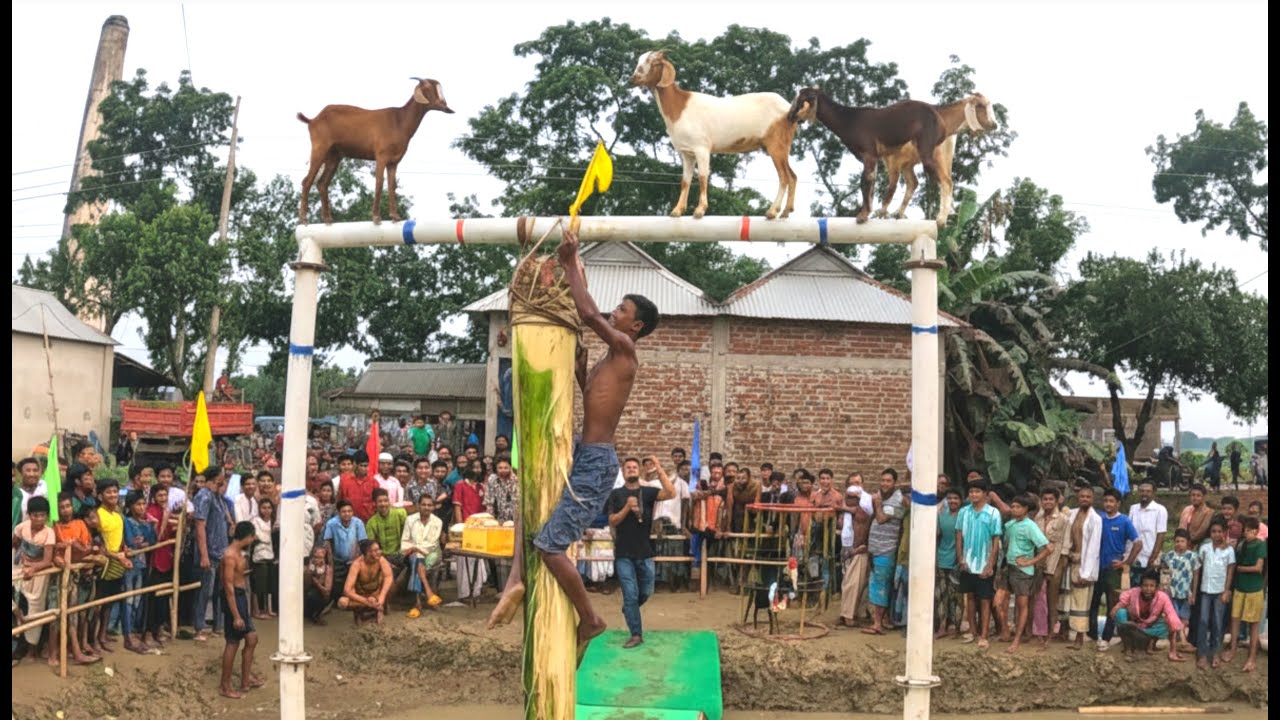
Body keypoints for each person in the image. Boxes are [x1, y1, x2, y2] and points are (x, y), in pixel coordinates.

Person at [489, 229, 660, 665]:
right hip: (587, 454)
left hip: (596, 463)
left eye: (621, 310)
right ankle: (516, 578)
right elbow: (597, 400)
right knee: (534, 519)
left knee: (550, 545)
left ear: (635, 326)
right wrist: (583, 374)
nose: (614, 312)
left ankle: (591, 619)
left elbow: (586, 312)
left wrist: (570, 263)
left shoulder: (624, 347)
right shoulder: (610, 359)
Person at [605, 456, 676, 648]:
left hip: (645, 552)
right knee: (630, 594)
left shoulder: (648, 492)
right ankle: (636, 634)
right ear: (623, 471)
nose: (631, 469)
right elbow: (612, 520)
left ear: (639, 471)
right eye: (628, 467)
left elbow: (671, 493)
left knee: (646, 591)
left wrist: (659, 468)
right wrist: (627, 507)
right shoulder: (615, 494)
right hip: (623, 553)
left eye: (634, 467)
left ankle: (630, 609)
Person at [1089, 488, 1142, 651]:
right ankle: (1092, 636)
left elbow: (1138, 543)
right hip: (1096, 568)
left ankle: (1106, 637)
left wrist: (1126, 562)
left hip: (1113, 570)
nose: (1108, 504)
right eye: (1106, 501)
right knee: (1093, 602)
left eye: (1111, 501)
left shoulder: (1124, 521)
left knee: (1113, 605)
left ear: (1118, 503)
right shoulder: (1099, 518)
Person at [1001, 494, 1053, 654]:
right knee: (999, 602)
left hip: (1023, 571)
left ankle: (1017, 639)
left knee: (1022, 605)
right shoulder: (1010, 525)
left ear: (1025, 509)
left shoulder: (1030, 526)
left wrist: (1031, 561)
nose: (1014, 509)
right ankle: (1007, 631)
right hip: (1009, 567)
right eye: (1013, 506)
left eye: (1018, 507)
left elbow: (1048, 548)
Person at [955, 479, 1003, 649]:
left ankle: (984, 635)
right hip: (967, 563)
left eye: (977, 491)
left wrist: (990, 564)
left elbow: (995, 540)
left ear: (985, 494)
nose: (974, 494)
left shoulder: (993, 513)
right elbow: (959, 536)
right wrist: (960, 559)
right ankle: (972, 631)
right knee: (969, 597)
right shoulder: (963, 512)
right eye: (971, 492)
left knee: (985, 599)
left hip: (984, 563)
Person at [219, 521, 263, 699]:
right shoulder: (230, 555)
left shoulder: (238, 553)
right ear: (247, 536)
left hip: (240, 597)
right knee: (233, 642)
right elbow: (228, 586)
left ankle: (245, 680)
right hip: (234, 598)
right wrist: (236, 615)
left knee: (251, 638)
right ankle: (225, 685)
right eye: (252, 537)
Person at [1108, 570, 1185, 663]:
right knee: (1120, 613)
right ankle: (1128, 647)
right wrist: (1116, 608)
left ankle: (1150, 643)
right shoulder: (1134, 592)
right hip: (1133, 625)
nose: (1148, 589)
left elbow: (1172, 617)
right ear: (1141, 586)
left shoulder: (1162, 597)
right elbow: (1122, 602)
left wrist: (1173, 651)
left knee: (1168, 623)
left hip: (1150, 628)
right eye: (1145, 585)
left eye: (1151, 586)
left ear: (1156, 587)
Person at [864, 469, 905, 636]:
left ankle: (877, 624)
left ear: (894, 483)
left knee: (880, 585)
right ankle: (884, 620)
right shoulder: (883, 498)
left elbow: (881, 519)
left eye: (888, 481)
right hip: (875, 549)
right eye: (883, 480)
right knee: (879, 584)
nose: (884, 484)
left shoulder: (897, 501)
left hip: (886, 549)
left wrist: (877, 503)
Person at [1222, 516, 1266, 672]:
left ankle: (1251, 658)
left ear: (1256, 531)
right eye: (1245, 530)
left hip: (1254, 589)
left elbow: (1258, 567)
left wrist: (1242, 569)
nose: (1246, 533)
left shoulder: (1260, 545)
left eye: (1249, 530)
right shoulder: (1241, 545)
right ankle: (1232, 650)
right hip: (1240, 588)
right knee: (1235, 619)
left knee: (1253, 624)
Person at [1062, 486, 1102, 650]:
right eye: (1082, 496)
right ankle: (1063, 632)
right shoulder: (1071, 514)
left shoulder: (1095, 519)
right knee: (1066, 598)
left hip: (1085, 563)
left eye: (1088, 497)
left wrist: (1086, 573)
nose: (1084, 499)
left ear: (1092, 499)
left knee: (1082, 601)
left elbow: (1093, 548)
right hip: (1070, 561)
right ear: (1078, 498)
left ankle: (1079, 637)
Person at [12, 495, 55, 652]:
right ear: (29, 515)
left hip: (38, 575)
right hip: (20, 568)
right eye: (35, 515)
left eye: (42, 515)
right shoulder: (23, 527)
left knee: (35, 607)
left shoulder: (49, 533)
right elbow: (15, 542)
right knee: (17, 601)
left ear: (47, 516)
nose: (39, 519)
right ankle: (17, 634)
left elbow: (47, 561)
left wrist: (33, 568)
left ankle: (30, 647)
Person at [1191, 520, 1235, 669]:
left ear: (1224, 532)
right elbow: (1197, 569)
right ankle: (1202, 654)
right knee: (1203, 621)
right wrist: (1194, 591)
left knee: (1217, 621)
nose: (1216, 534)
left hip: (1220, 592)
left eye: (1219, 531)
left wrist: (1226, 590)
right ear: (1210, 533)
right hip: (1205, 591)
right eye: (1213, 531)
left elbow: (1230, 572)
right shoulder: (1205, 548)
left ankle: (1215, 652)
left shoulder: (1229, 550)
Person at [837, 475, 874, 629]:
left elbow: (863, 527)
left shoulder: (864, 507)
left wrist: (859, 548)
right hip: (847, 548)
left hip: (859, 549)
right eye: (852, 484)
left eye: (858, 483)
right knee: (848, 582)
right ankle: (848, 614)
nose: (855, 488)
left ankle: (848, 615)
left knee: (854, 583)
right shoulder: (846, 507)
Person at [402, 494, 444, 617]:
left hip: (431, 553)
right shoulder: (410, 520)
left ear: (433, 507)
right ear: (418, 506)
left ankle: (417, 603)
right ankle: (428, 593)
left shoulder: (438, 522)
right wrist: (414, 549)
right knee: (417, 559)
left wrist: (416, 549)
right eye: (424, 504)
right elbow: (405, 540)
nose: (426, 507)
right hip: (411, 552)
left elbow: (432, 544)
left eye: (429, 505)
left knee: (417, 560)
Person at [1160, 528, 1199, 657]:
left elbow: (1196, 576)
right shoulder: (1168, 556)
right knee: (1174, 616)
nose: (1179, 544)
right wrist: (1164, 590)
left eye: (1182, 541)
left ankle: (1181, 641)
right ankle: (1182, 641)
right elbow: (1164, 574)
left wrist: (1194, 593)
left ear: (1187, 542)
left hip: (1186, 592)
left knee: (1185, 618)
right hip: (1172, 592)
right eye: (1177, 541)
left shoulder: (1192, 556)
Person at [338, 539, 394, 625]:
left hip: (376, 594)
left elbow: (388, 577)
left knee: (390, 583)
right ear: (367, 552)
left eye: (379, 549)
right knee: (342, 602)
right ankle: (360, 612)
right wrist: (366, 601)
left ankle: (381, 607)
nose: (379, 552)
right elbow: (347, 590)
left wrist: (381, 599)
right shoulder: (357, 564)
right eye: (375, 550)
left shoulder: (381, 560)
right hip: (361, 595)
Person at [934, 487, 964, 639]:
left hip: (957, 563)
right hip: (941, 560)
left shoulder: (964, 517)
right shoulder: (941, 516)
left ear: (961, 501)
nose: (952, 501)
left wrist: (961, 559)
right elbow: (937, 537)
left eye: (956, 498)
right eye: (950, 498)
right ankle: (942, 627)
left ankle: (957, 628)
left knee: (956, 597)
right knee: (941, 595)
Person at [1127, 481, 1168, 588]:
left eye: (1148, 491)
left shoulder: (1160, 510)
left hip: (1151, 557)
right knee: (1134, 589)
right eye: (1142, 491)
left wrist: (1152, 558)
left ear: (1153, 493)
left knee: (1149, 590)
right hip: (1135, 557)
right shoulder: (1133, 508)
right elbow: (1129, 532)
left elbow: (1160, 536)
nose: (1144, 494)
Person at [250, 498, 278, 619]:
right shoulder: (255, 521)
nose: (266, 510)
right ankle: (256, 611)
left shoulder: (274, 522)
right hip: (259, 556)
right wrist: (264, 537)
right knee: (258, 586)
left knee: (269, 585)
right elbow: (258, 537)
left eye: (269, 508)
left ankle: (268, 609)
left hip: (271, 556)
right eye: (264, 508)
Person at [304, 545, 333, 625]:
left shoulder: (327, 568)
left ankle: (318, 614)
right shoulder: (309, 568)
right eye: (316, 557)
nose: (318, 560)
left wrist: (316, 581)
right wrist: (310, 571)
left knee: (317, 596)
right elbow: (306, 586)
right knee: (310, 594)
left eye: (320, 557)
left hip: (321, 594)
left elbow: (327, 590)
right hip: (309, 593)